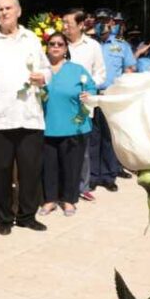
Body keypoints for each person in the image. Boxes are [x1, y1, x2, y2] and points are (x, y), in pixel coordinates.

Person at [0, 0, 50, 235]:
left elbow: (47, 69)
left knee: (30, 171)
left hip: (29, 116)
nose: (4, 12)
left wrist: (44, 77)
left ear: (19, 11)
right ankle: (5, 217)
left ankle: (27, 216)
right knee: (0, 173)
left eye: (9, 8)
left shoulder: (31, 39)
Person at [39, 33, 97, 217]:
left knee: (71, 166)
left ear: (65, 49)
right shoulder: (40, 70)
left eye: (60, 44)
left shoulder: (77, 69)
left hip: (74, 125)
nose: (56, 47)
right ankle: (49, 200)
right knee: (49, 167)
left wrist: (87, 96)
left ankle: (69, 200)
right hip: (47, 126)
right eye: (52, 43)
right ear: (47, 47)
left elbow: (91, 88)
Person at [89, 8, 136, 192]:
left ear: (112, 22)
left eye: (105, 20)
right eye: (98, 20)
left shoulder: (121, 46)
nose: (102, 23)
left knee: (109, 137)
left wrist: (122, 91)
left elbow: (129, 69)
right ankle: (93, 176)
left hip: (111, 95)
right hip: (92, 95)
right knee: (93, 137)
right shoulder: (89, 44)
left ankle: (108, 176)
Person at [62, 9, 105, 202]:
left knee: (82, 147)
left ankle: (83, 185)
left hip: (83, 103)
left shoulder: (93, 46)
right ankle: (63, 186)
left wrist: (88, 86)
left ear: (81, 25)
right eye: (63, 23)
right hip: (60, 104)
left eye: (68, 24)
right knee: (60, 144)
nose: (64, 27)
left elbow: (101, 73)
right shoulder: (58, 44)